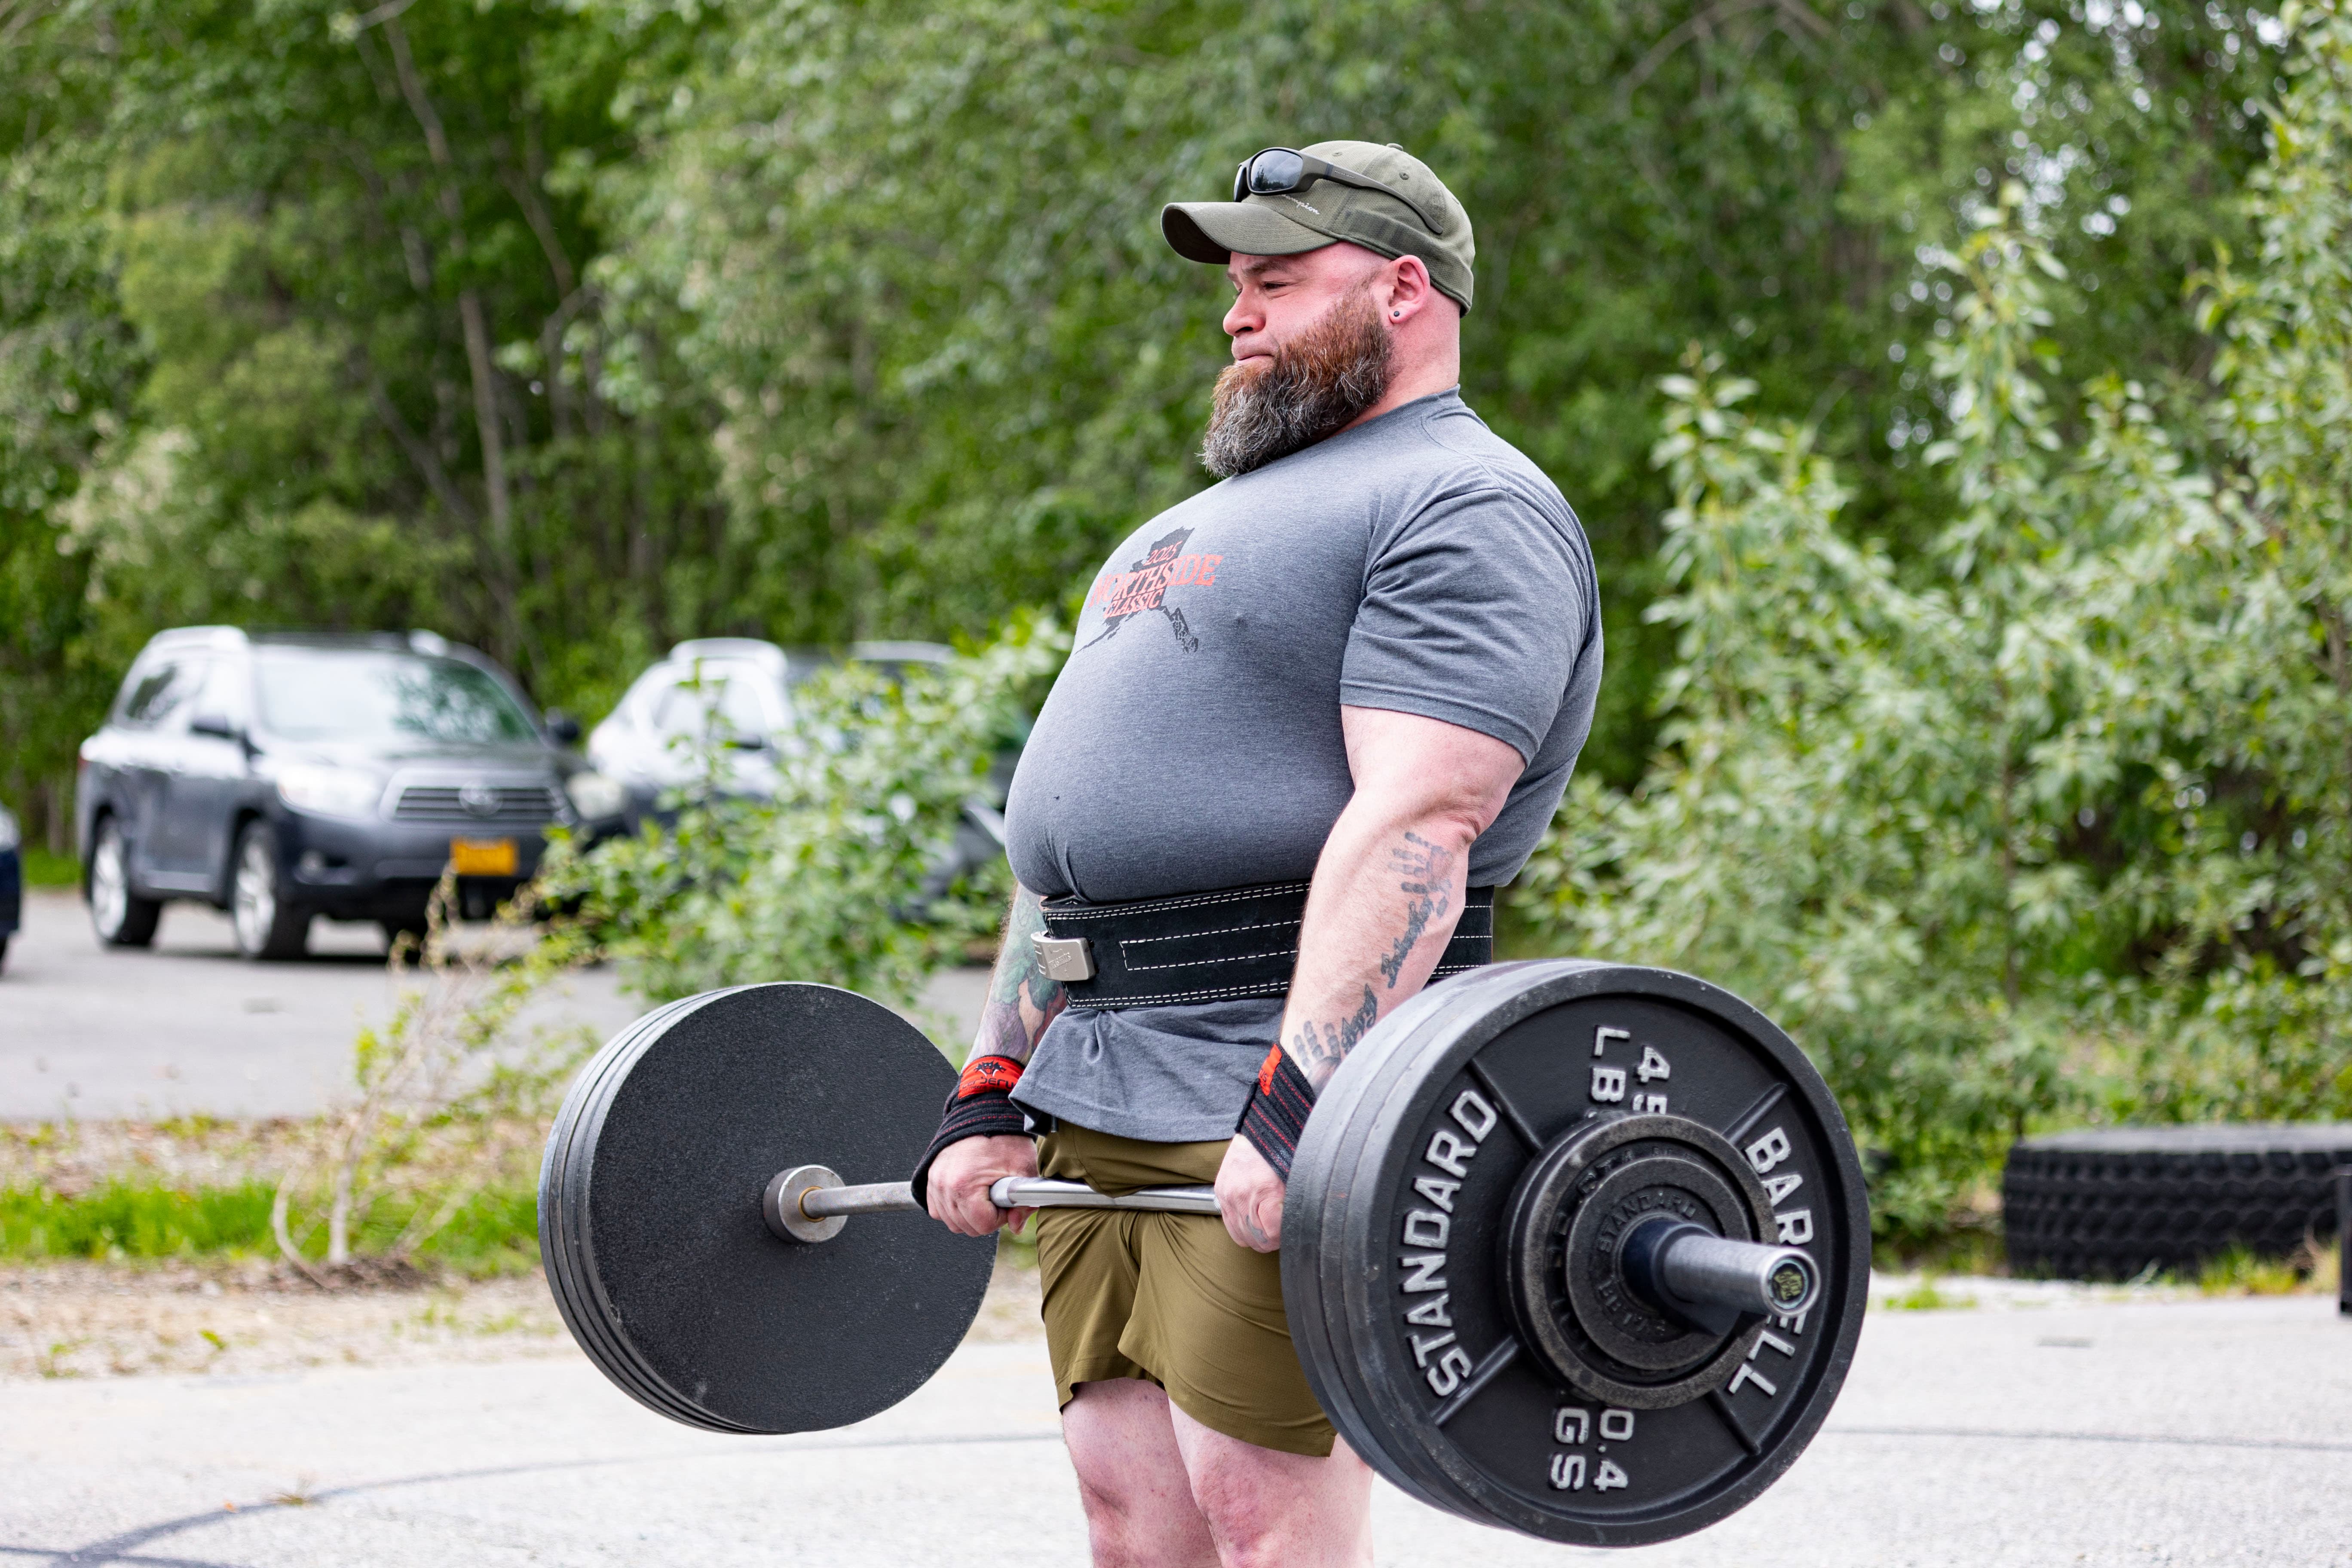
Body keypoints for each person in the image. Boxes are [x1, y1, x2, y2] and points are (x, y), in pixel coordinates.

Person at [913, 140, 1602, 1568]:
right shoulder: (1192, 521)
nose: (1238, 316)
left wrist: (1307, 1107)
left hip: (1256, 1087)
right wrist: (989, 1083)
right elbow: (1073, 852)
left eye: (1278, 283)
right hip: (1100, 1090)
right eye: (1235, 287)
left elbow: (1423, 820)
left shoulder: (1467, 504)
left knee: (1264, 1528)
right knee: (1127, 1519)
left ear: (1405, 289)